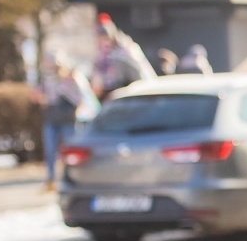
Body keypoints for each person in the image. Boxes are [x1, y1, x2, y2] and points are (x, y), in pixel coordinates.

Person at [31, 52, 82, 190]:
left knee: (69, 151)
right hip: (51, 119)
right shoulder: (44, 80)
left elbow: (79, 98)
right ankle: (51, 179)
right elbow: (35, 96)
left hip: (67, 120)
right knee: (50, 150)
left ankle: (70, 177)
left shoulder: (69, 79)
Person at [89, 14, 155, 99]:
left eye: (104, 38)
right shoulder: (102, 56)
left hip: (138, 90)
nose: (103, 43)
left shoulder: (127, 49)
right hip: (116, 94)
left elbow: (142, 74)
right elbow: (98, 83)